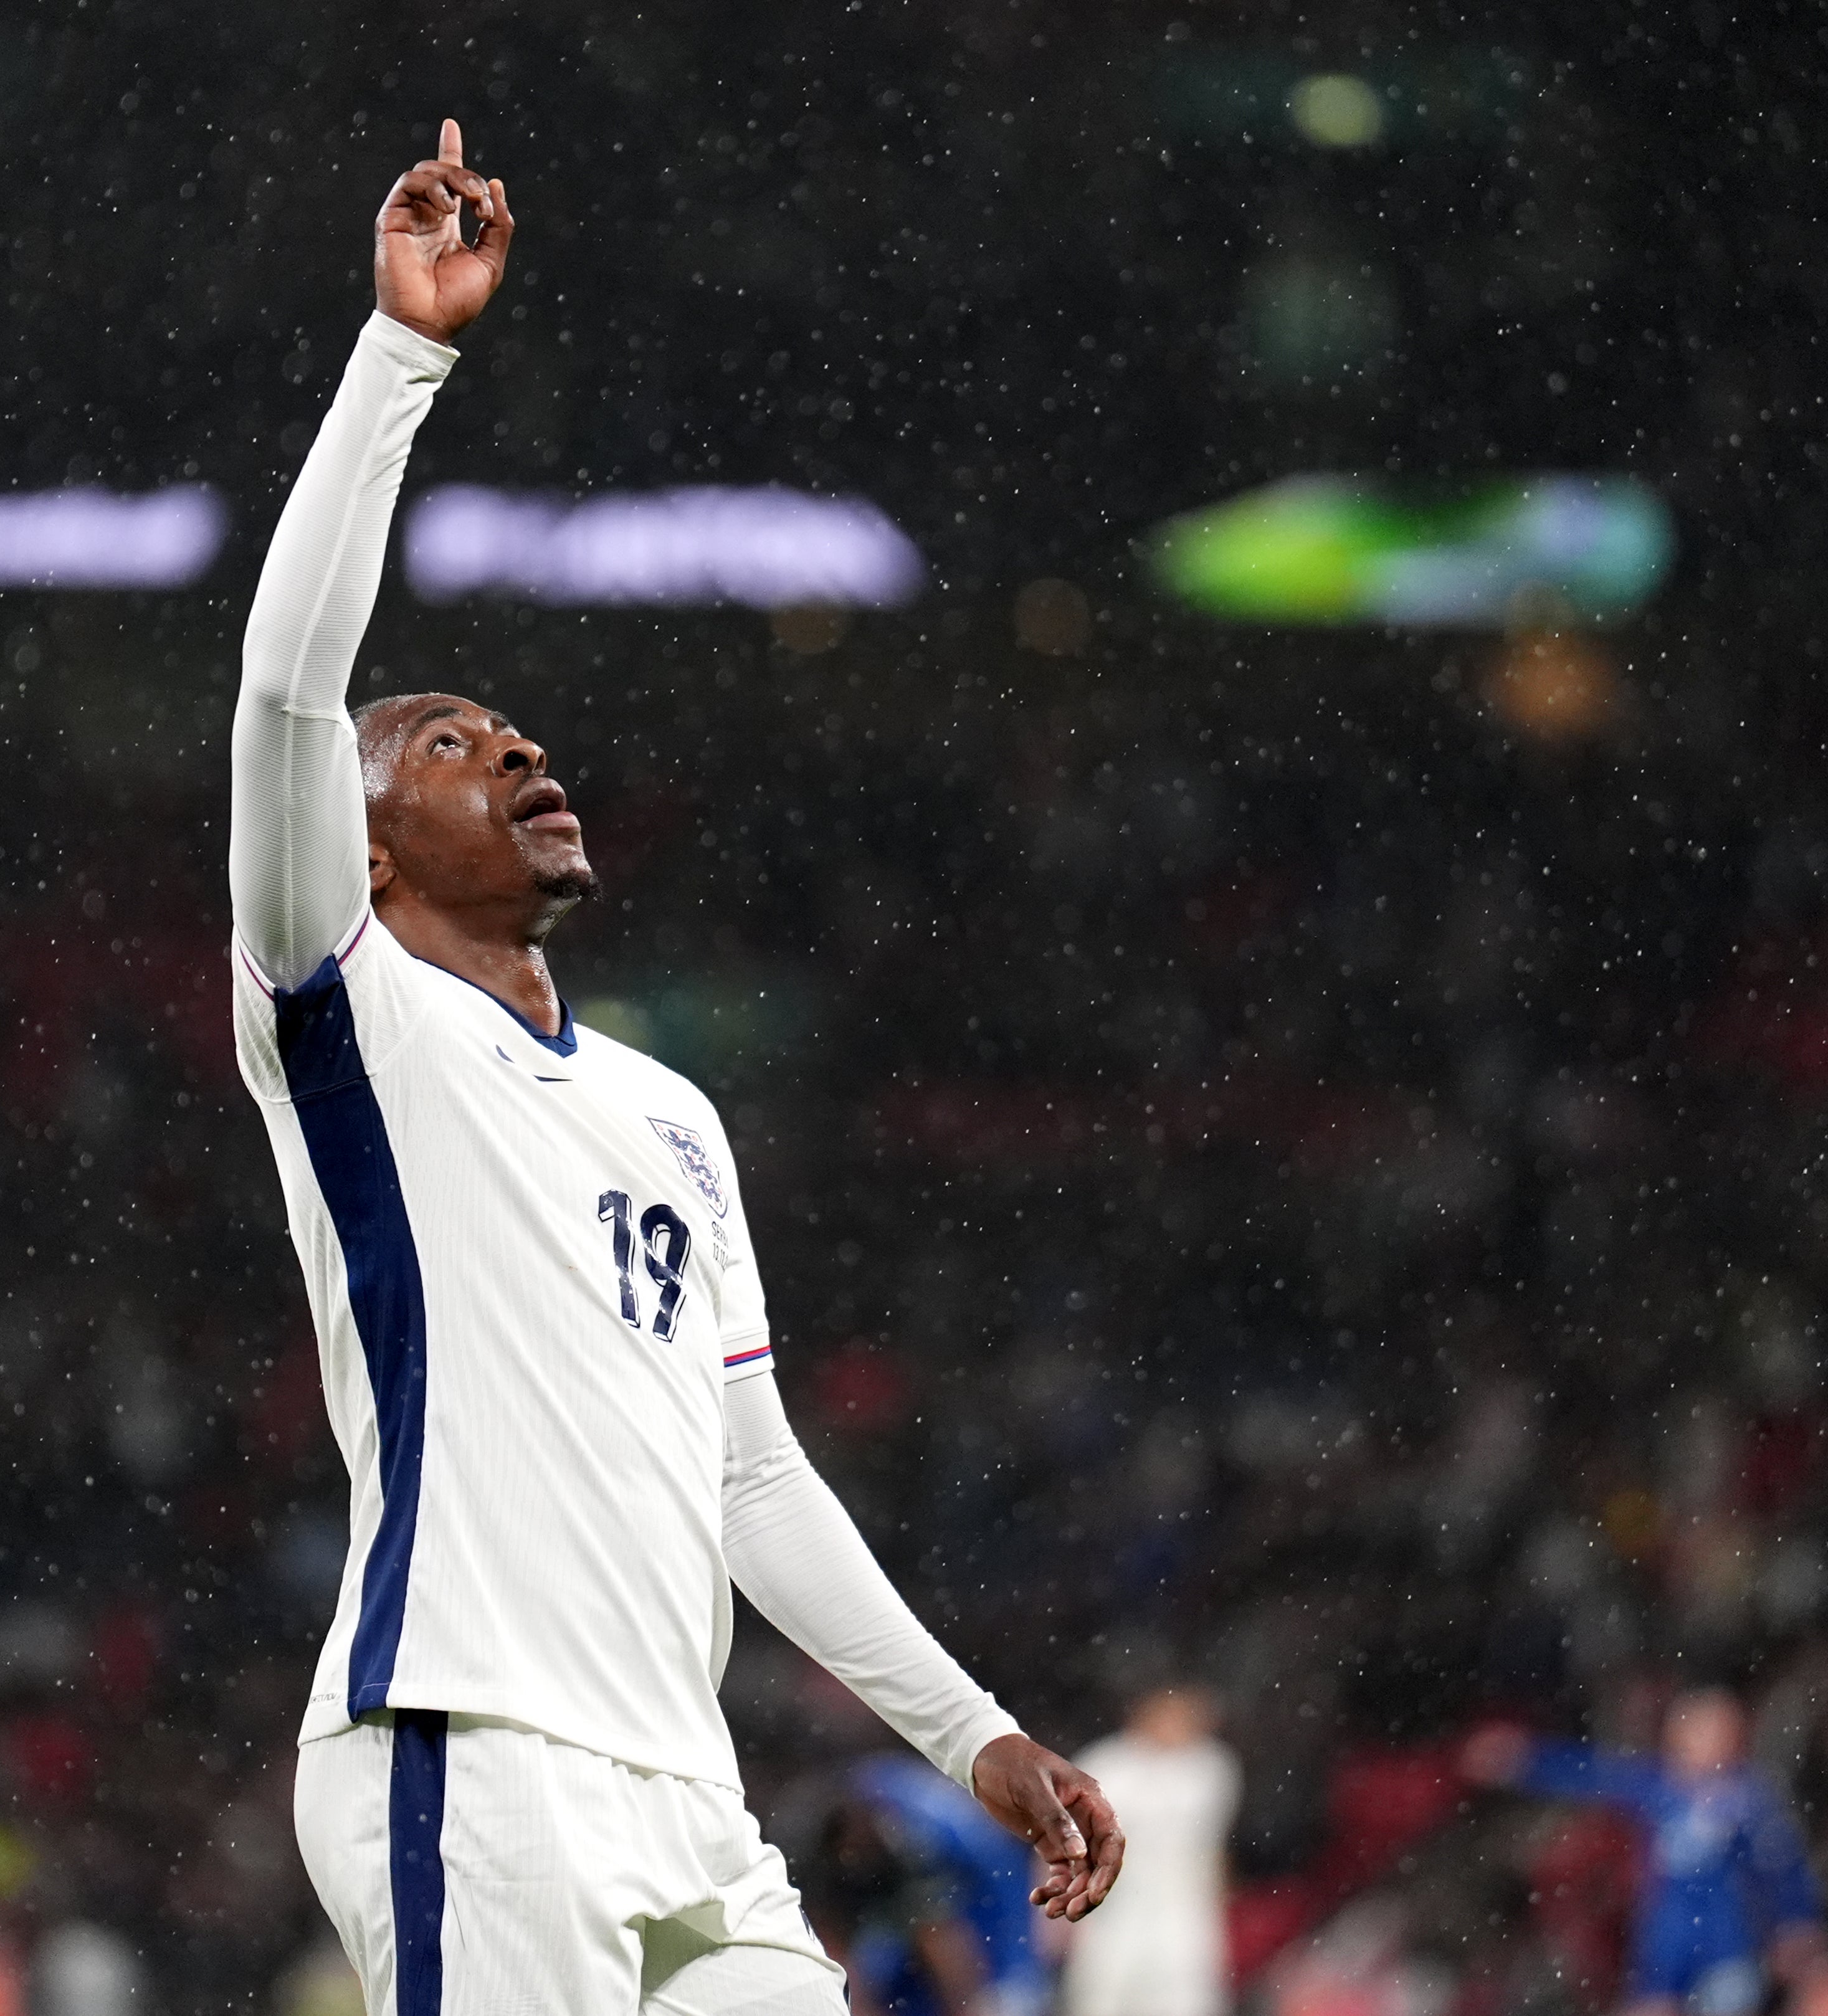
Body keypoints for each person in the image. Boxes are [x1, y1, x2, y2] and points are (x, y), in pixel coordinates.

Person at [226, 120, 1123, 2016]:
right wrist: (402, 355)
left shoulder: (670, 1112)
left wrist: (973, 1732)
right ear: (360, 852)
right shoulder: (351, 1015)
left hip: (687, 1799)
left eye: (521, 733)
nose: (520, 751)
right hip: (465, 1741)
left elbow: (751, 1476)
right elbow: (290, 688)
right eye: (454, 744)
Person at [1463, 1688, 1828, 2016]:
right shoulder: (1658, 1786)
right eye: (1691, 1732)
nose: (1699, 1743)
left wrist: (1797, 1921)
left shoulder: (1749, 1799)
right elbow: (1592, 1774)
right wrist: (1524, 1760)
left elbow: (1782, 1865)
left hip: (1729, 1938)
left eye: (1712, 1732)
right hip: (1667, 1934)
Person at [813, 1756, 1050, 2016]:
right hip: (905, 1936)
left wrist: (981, 1998)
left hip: (992, 1926)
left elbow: (941, 1932)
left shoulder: (920, 1839)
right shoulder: (832, 1846)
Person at [1058, 1688, 1241, 2016]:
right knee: (1101, 1996)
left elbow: (1212, 1846)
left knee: (1188, 1998)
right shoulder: (1103, 1767)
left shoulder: (1211, 1768)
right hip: (1114, 1905)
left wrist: (1218, 1903)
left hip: (1183, 1906)